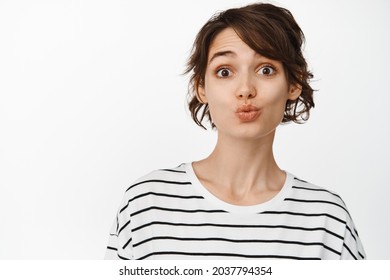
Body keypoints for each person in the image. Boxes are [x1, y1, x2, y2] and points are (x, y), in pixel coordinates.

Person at [105, 2, 365, 260]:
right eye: (225, 71)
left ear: (293, 84)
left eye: (266, 69)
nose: (245, 89)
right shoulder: (146, 204)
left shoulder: (327, 219)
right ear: (201, 88)